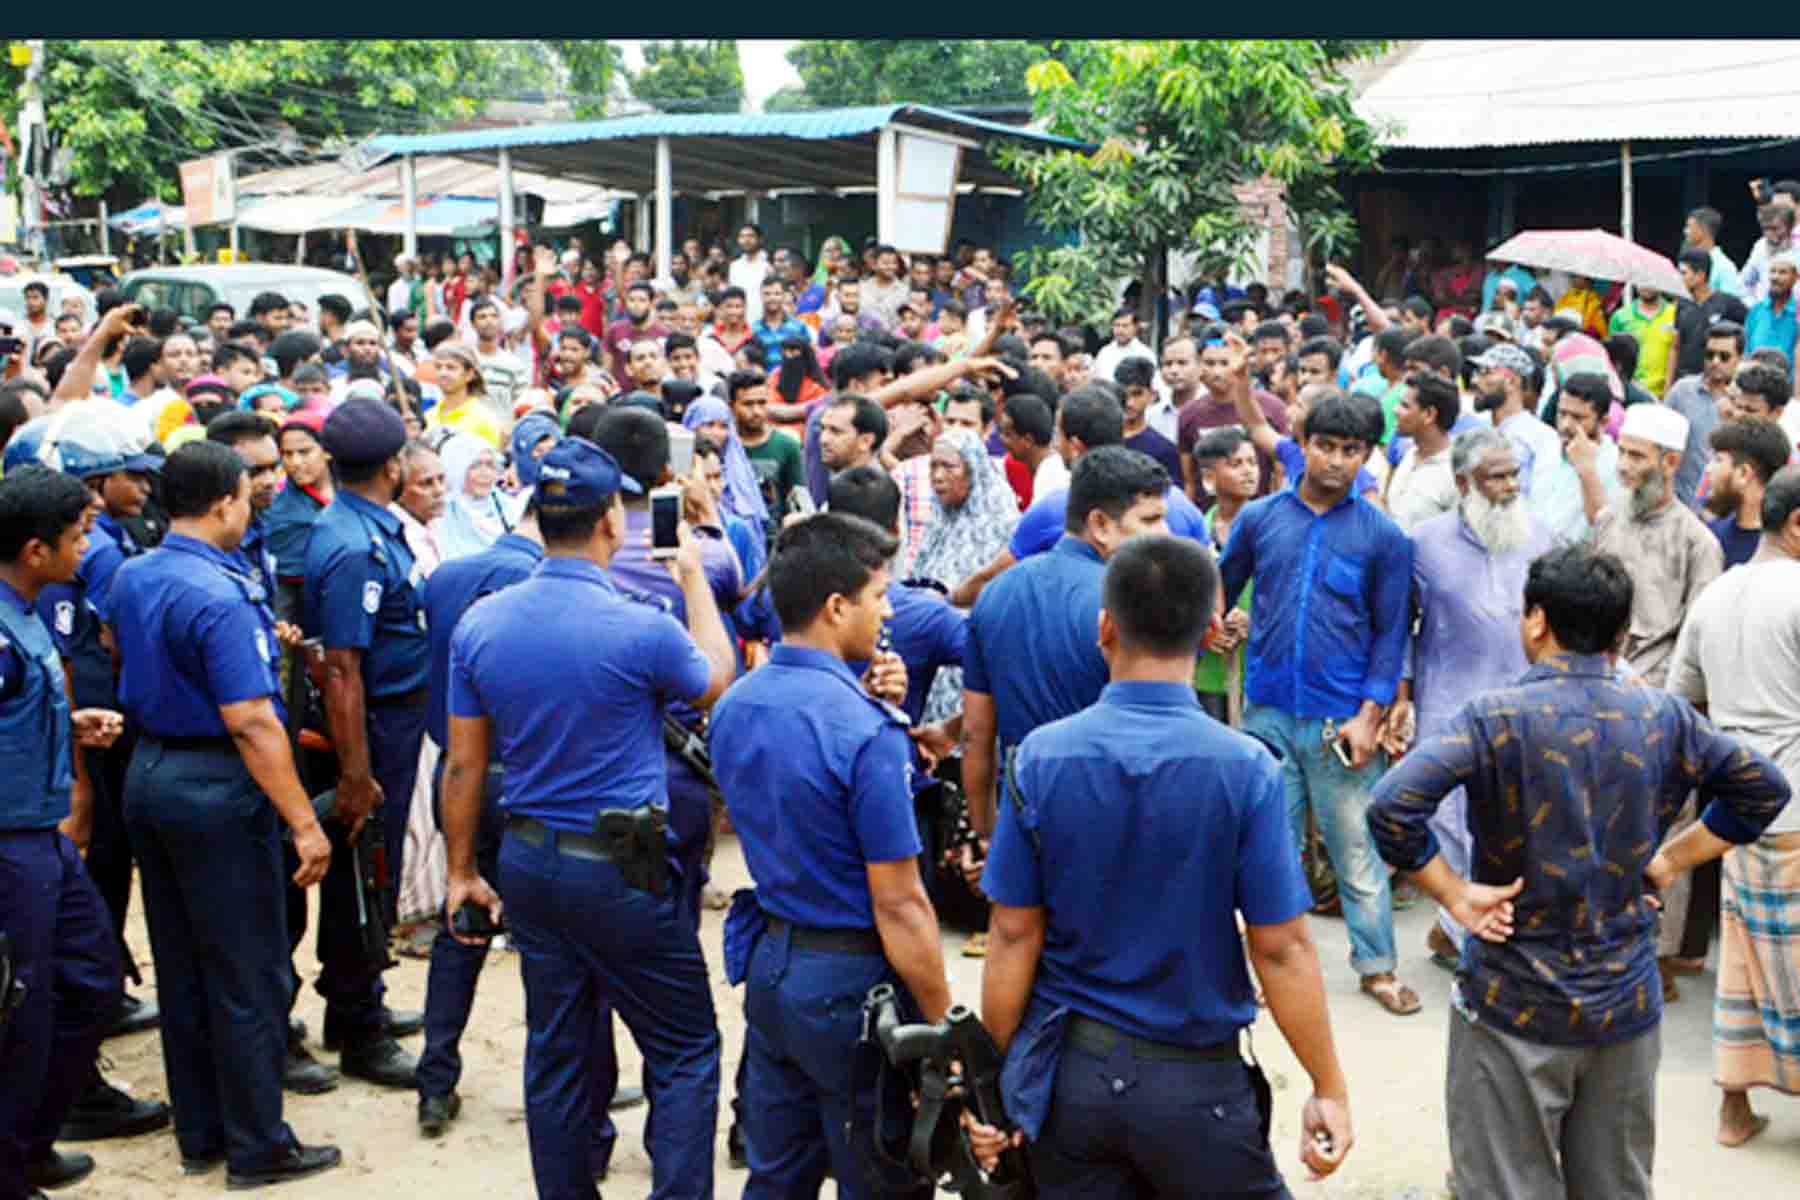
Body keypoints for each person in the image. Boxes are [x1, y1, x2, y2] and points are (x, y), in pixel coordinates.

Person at [1368, 545, 1791, 1200]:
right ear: (1622, 636)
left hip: (1512, 1001)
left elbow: (1393, 806)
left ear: (1535, 620)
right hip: (1624, 1003)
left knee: (1507, 1187)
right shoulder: (1665, 717)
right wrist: (1673, 858)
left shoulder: (1493, 718)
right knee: (1616, 1188)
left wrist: (1453, 893)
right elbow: (1764, 789)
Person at [971, 534, 1351, 1195]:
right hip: (1198, 1086)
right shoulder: (1247, 769)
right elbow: (1283, 948)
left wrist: (996, 1085)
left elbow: (1011, 933)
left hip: (1074, 1080)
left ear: (1104, 628)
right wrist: (1328, 1085)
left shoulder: (1039, 758)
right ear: (1210, 632)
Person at [442, 435, 735, 1200]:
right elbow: (715, 680)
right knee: (683, 1046)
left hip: (531, 858)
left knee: (559, 1051)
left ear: (539, 516)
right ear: (613, 518)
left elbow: (466, 764)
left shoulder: (483, 623)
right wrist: (693, 577)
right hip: (625, 854)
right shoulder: (639, 624)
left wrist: (461, 871)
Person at [108, 441, 343, 1190]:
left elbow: (118, 644)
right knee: (247, 970)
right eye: (247, 494)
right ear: (223, 505)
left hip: (149, 770)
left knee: (181, 965)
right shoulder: (220, 591)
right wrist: (304, 821)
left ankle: (202, 1130)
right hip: (217, 781)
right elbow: (251, 719)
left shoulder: (133, 572)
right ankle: (258, 1144)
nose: (253, 506)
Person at [708, 511, 950, 1199]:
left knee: (778, 1172)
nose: (888, 611)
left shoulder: (737, 705)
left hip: (776, 965)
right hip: (852, 982)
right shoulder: (868, 732)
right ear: (837, 605)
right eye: (878, 596)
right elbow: (900, 903)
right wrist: (942, 1027)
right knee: (880, 1172)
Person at [1219, 389, 1419, 1016]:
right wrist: (1217, 620)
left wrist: (1370, 715)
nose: (1335, 462)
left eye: (1351, 450)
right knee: (1266, 848)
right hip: (1268, 709)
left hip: (1341, 719)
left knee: (1357, 848)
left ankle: (1377, 966)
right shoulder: (1260, 520)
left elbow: (1391, 635)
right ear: (1301, 445)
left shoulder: (1384, 537)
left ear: (1368, 456)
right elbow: (1219, 585)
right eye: (1325, 446)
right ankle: (1260, 968)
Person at [0, 465, 152, 1200]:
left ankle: (29, 1141)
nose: (87, 547)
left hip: (41, 838)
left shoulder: (26, 606)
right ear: (36, 550)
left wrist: (69, 725)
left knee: (91, 982)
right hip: (9, 847)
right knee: (20, 1011)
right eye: (78, 536)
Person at [1386, 427, 1551, 972]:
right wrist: (1401, 699)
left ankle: (1466, 928)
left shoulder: (1540, 537)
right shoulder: (1424, 543)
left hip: (1523, 707)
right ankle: (1463, 933)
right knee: (1451, 822)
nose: (1508, 487)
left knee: (1512, 822)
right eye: (1495, 477)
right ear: (1463, 482)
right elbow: (1400, 629)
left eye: (1513, 475)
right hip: (1449, 705)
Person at [301, 397, 431, 1087]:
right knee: (366, 873)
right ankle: (360, 1025)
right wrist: (355, 773)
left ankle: (350, 999)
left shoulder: (366, 525)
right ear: (393, 465)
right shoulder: (353, 544)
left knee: (369, 868)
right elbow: (344, 668)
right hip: (373, 725)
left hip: (393, 719)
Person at [1668, 465, 1800, 1147]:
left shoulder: (1717, 596)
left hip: (1734, 815)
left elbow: (1682, 700)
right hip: (1796, 812)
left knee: (1745, 959)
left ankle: (1734, 1106)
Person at [1591, 402, 1726, 995]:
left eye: (1636, 457)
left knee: (1663, 829)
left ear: (1669, 464)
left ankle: (1658, 957)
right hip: (1601, 687)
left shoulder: (1697, 542)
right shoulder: (1607, 524)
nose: (1624, 467)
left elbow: (1699, 639)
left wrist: (1662, 692)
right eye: (1622, 453)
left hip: (1662, 701)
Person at [1666, 320, 1745, 508]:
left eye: (1724, 356)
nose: (1715, 362)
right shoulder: (1682, 392)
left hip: (1724, 510)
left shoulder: (1745, 403)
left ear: (1740, 358)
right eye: (1710, 355)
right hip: (1680, 503)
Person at [1703, 419, 1794, 569]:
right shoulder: (1710, 536)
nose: (1708, 469)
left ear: (1744, 473)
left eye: (1718, 460)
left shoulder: (1784, 551)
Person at [1384, 371, 1460, 532]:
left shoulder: (1456, 472)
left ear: (1429, 415)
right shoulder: (1409, 454)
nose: (1395, 411)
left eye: (1405, 406)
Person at [681, 395, 769, 529]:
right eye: (709, 425)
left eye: (723, 426)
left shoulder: (738, 470)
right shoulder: (680, 470)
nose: (716, 432)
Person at [436, 434, 512, 562]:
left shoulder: (508, 506)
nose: (485, 473)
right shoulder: (441, 513)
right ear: (456, 470)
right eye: (475, 465)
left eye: (490, 464)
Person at [425, 341, 504, 453]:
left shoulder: (484, 420)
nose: (443, 373)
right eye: (438, 367)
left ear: (469, 374)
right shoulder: (428, 416)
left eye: (451, 367)